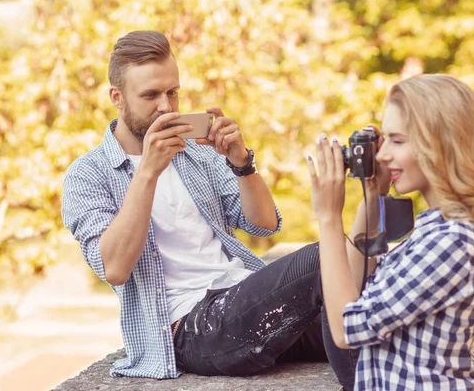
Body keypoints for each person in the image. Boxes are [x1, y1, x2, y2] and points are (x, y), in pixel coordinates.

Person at [61, 30, 358, 385]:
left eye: (172, 92)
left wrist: (242, 163)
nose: (166, 107)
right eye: (150, 95)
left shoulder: (197, 154)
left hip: (242, 301)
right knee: (326, 254)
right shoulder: (87, 174)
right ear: (117, 98)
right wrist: (148, 171)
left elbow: (263, 224)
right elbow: (114, 268)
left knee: (360, 278)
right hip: (191, 328)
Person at [307, 74, 474, 390]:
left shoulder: (455, 243)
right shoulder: (435, 229)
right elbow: (356, 292)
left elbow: (346, 329)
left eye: (397, 141)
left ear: (441, 144)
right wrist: (373, 198)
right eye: (385, 141)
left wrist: (329, 218)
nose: (383, 155)